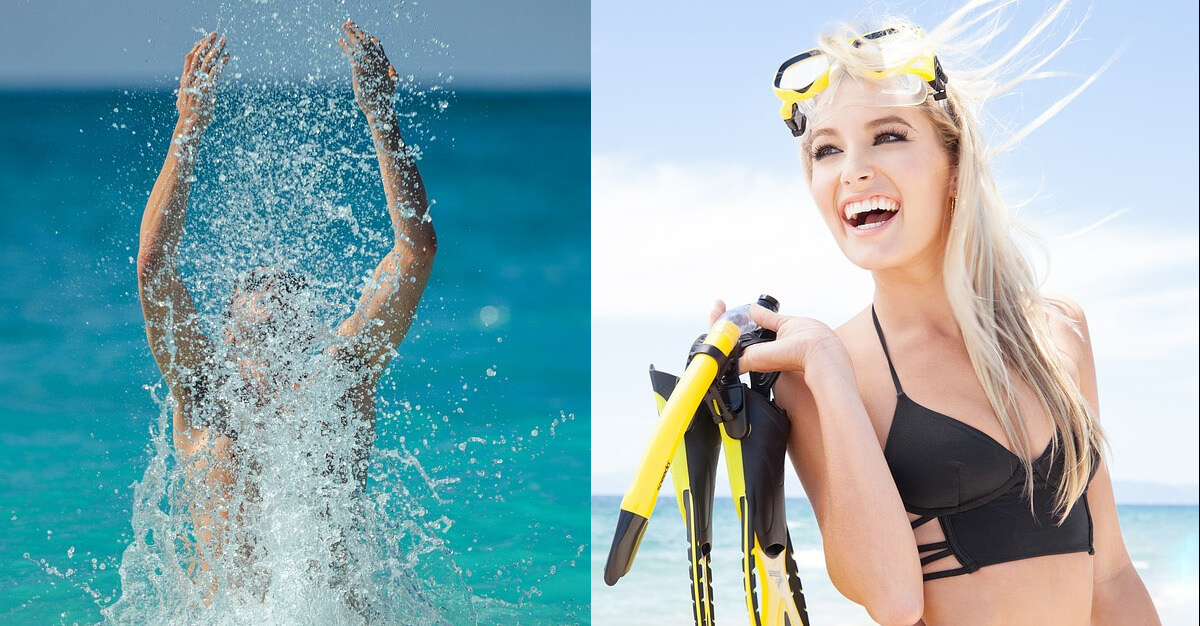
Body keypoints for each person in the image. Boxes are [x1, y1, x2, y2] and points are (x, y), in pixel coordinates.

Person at [710, 7, 1161, 625]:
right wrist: (827, 369)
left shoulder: (1058, 331)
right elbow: (893, 599)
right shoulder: (815, 378)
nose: (854, 170)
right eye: (827, 150)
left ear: (953, 163)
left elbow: (1110, 575)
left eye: (888, 135)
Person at [135, 21, 436, 602]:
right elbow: (154, 264)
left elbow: (415, 250)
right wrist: (188, 127)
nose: (274, 294)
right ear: (225, 326)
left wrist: (382, 120)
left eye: (287, 291)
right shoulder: (202, 391)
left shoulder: (343, 378)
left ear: (314, 324)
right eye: (256, 289)